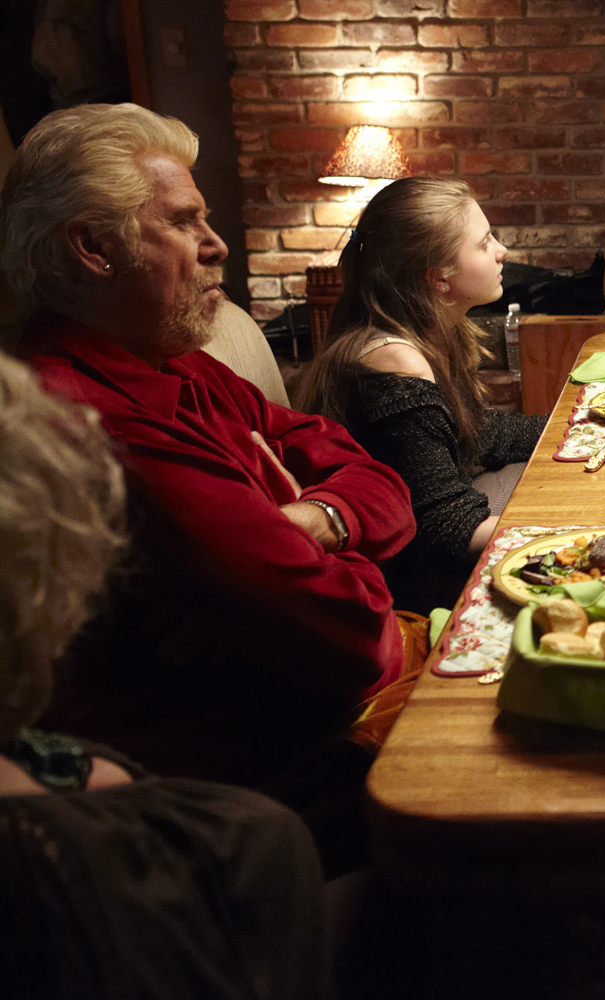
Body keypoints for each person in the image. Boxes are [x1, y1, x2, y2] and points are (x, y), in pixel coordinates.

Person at [0, 103, 418, 869]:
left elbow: (381, 480)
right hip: (248, 792)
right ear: (92, 248)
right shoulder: (89, 420)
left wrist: (316, 520)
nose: (216, 244)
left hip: (320, 717)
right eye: (184, 222)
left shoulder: (174, 359)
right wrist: (358, 570)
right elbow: (353, 638)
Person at [0, 353, 330, 999]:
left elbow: (339, 454)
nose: (212, 246)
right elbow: (346, 633)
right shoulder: (218, 841)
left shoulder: (196, 370)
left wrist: (329, 518)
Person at [295, 177, 547, 614]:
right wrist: (568, 530)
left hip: (431, 556)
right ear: (439, 278)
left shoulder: (424, 333)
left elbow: (476, 434)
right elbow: (449, 528)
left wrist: (576, 426)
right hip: (411, 588)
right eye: (485, 242)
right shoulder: (395, 363)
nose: (502, 251)